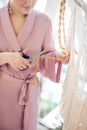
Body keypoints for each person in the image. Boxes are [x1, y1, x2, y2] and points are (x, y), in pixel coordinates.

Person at [0, 0, 69, 130]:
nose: (30, 2)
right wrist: (7, 57)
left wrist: (58, 57)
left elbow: (45, 58)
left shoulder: (44, 22)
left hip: (29, 92)